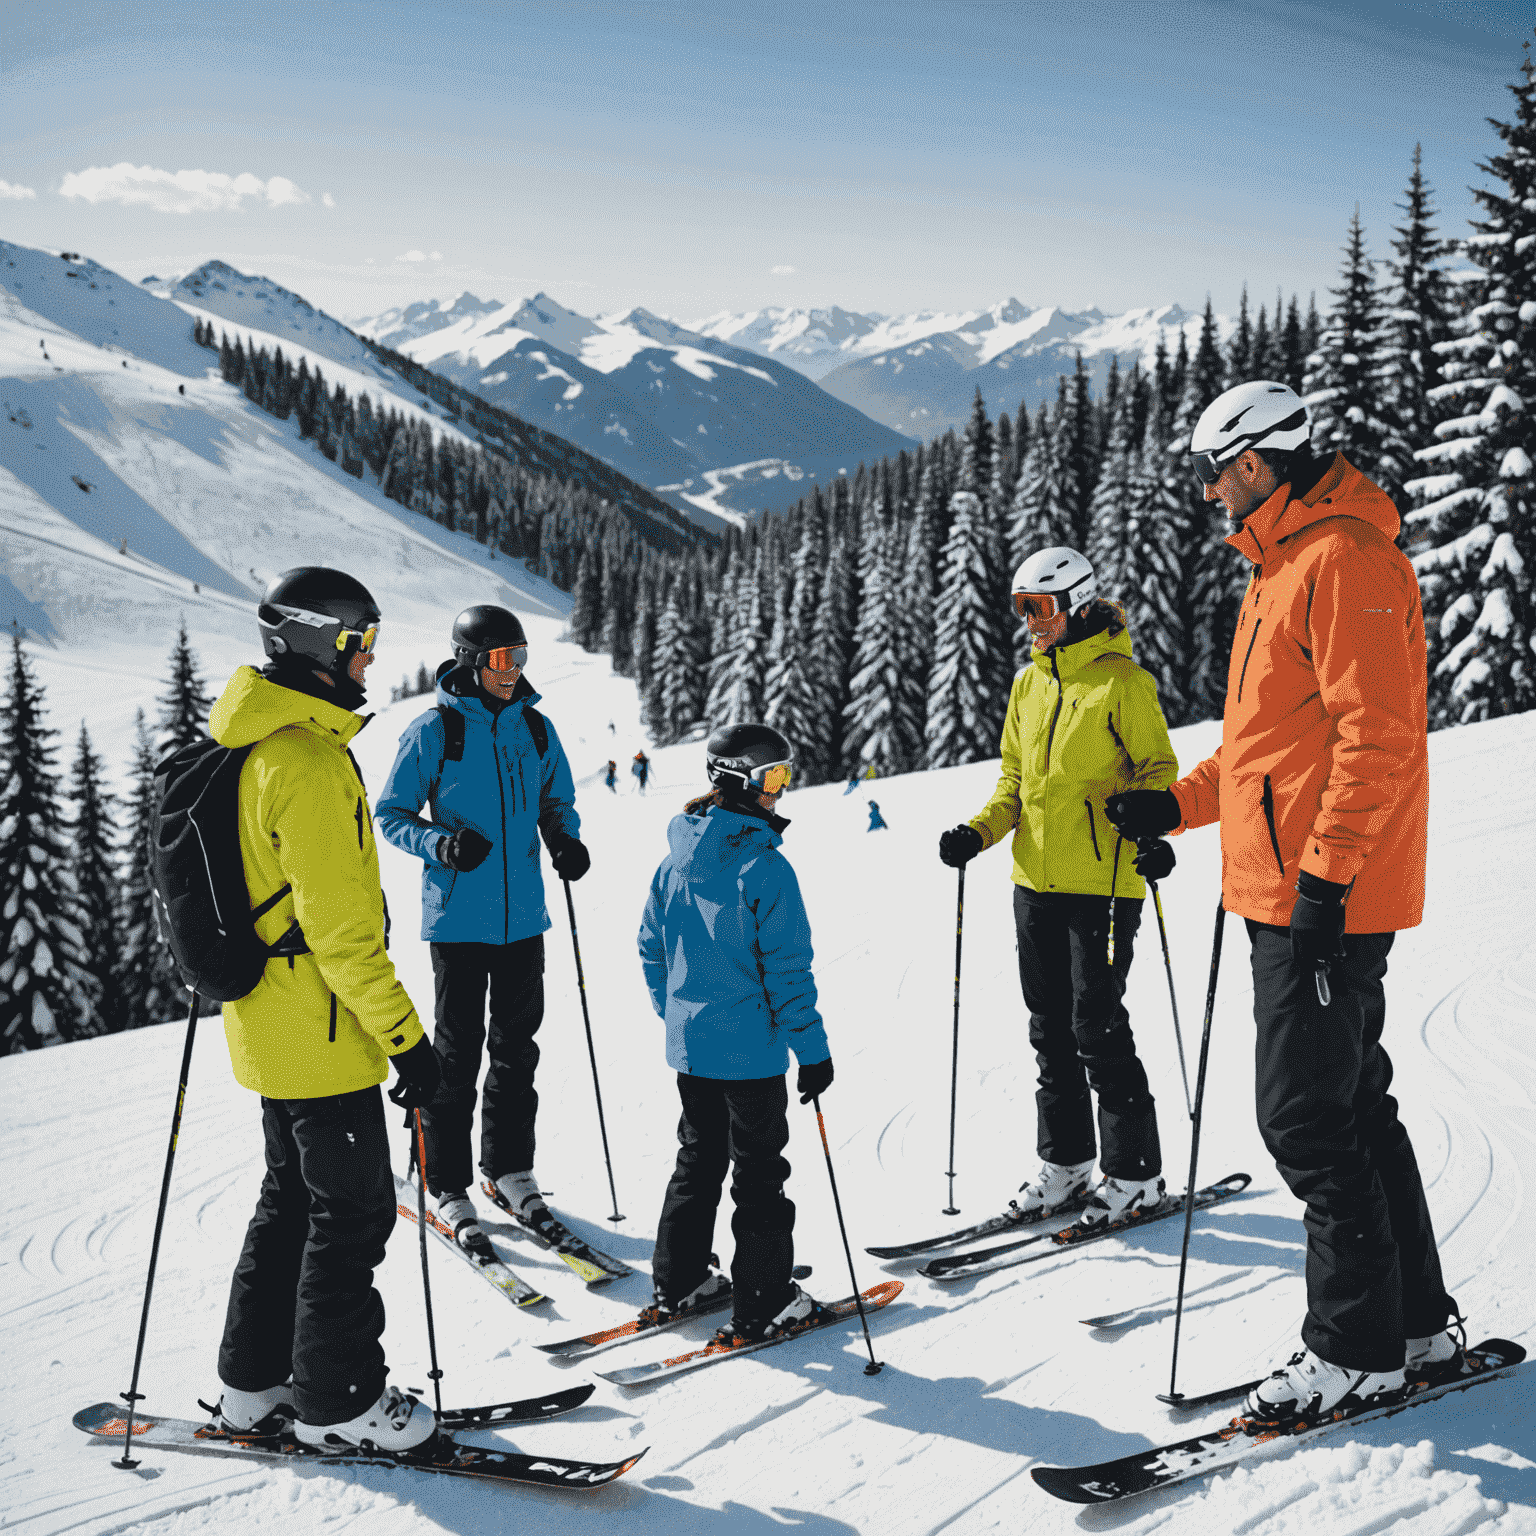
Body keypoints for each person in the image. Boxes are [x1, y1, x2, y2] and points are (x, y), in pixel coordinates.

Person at [1104, 380, 1461, 1425]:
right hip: (1293, 887)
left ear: (1257, 463)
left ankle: (1355, 1350)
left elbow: (1377, 739)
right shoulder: (1284, 565)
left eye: (1217, 470)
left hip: (1322, 900)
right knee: (1352, 1105)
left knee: (1305, 1121)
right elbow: (1271, 751)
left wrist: (1323, 881)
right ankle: (1415, 1324)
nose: (1210, 489)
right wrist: (1174, 805)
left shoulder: (1347, 562)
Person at [209, 566, 440, 1453]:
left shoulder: (251, 744)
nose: (371, 660)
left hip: (271, 1029)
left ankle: (253, 1387)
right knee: (350, 1217)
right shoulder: (303, 762)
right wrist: (410, 1045)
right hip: (324, 1033)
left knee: (291, 1205)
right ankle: (339, 1403)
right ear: (314, 643)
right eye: (359, 643)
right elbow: (344, 939)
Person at [939, 547, 1179, 1232]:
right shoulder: (1029, 686)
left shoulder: (1123, 683)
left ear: (1075, 605)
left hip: (1102, 883)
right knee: (1049, 1030)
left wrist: (1144, 810)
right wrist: (977, 834)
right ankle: (1068, 1163)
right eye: (1021, 610)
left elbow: (1159, 765)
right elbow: (1014, 785)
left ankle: (1136, 1175)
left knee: (1096, 1025)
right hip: (1034, 884)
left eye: (1039, 609)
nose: (1029, 624)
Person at [376, 604, 587, 1248]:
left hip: (524, 919)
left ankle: (509, 1170)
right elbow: (391, 813)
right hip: (458, 923)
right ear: (471, 661)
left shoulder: (538, 730)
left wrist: (564, 839)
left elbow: (559, 801)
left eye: (521, 657)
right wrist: (443, 845)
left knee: (518, 1050)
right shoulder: (435, 731)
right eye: (501, 660)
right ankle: (445, 1182)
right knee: (456, 1055)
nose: (512, 672)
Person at [637, 722, 835, 1343]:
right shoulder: (763, 867)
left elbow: (651, 949)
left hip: (693, 1051)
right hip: (749, 1054)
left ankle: (681, 1280)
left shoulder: (675, 859)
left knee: (697, 1161)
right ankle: (766, 1299)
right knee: (758, 1174)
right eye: (773, 777)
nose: (782, 789)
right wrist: (814, 1050)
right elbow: (786, 970)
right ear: (738, 780)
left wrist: (677, 1016)